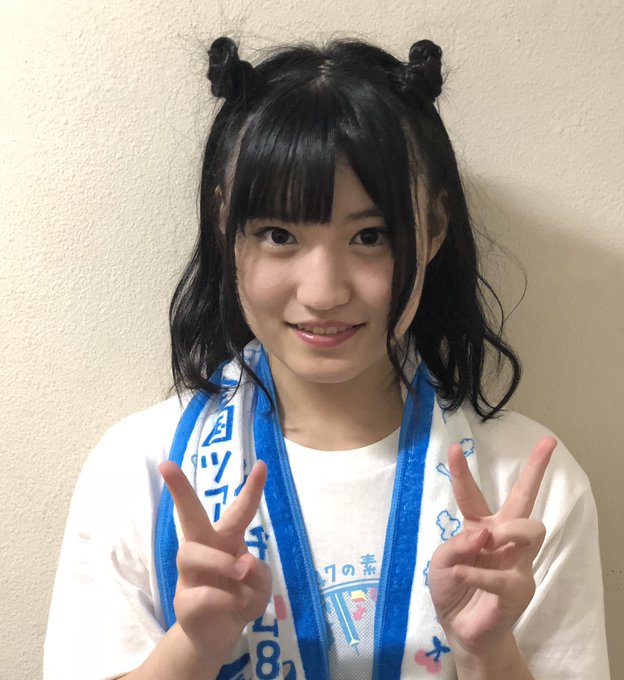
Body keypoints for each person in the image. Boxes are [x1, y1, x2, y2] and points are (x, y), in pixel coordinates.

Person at [43, 36, 610, 680]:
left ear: (433, 229)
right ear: (225, 224)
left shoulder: (526, 489)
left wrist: (488, 653)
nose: (323, 292)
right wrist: (193, 649)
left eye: (370, 236)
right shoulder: (143, 468)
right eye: (278, 234)